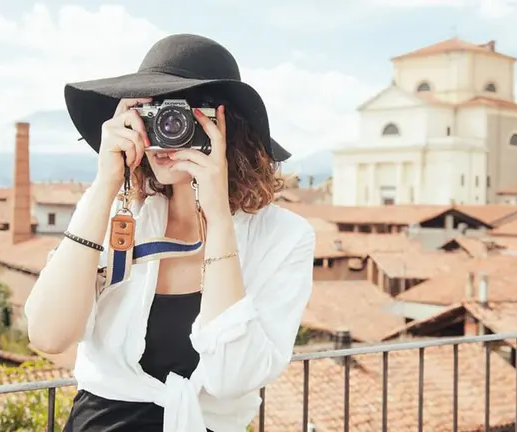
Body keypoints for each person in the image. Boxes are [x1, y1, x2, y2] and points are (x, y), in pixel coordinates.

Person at [24, 33, 315, 432]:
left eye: (180, 118)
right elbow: (48, 334)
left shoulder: (284, 237)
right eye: (151, 116)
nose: (164, 134)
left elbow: (232, 378)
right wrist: (106, 183)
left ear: (226, 128)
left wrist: (218, 217)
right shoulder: (116, 212)